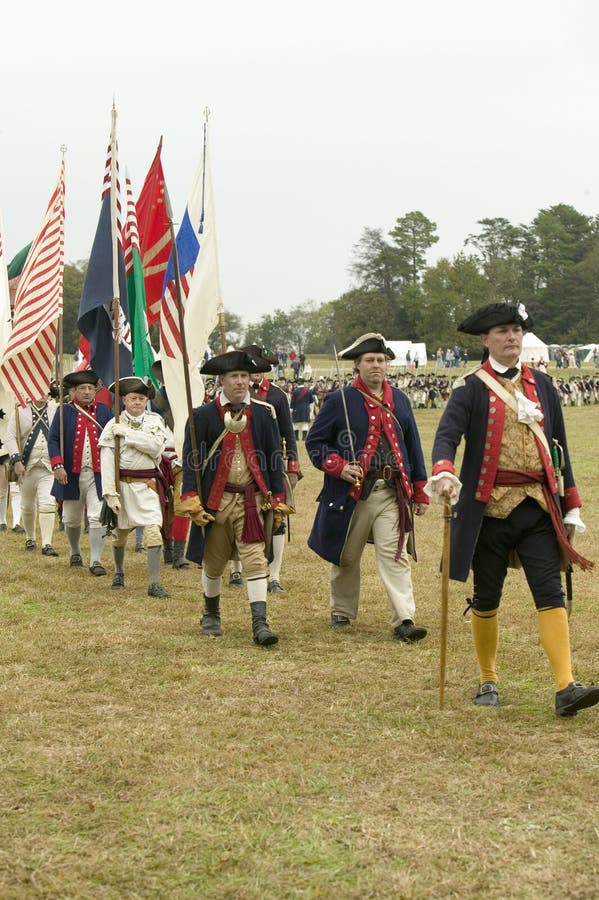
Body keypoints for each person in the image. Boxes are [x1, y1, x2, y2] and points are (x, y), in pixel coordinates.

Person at [427, 301, 598, 717]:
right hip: (487, 512)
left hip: (538, 508)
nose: (512, 337)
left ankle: (565, 687)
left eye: (517, 331)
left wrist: (570, 504)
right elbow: (447, 437)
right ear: (485, 340)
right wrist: (444, 471)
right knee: (486, 599)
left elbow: (559, 451)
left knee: (550, 593)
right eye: (503, 331)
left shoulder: (544, 385)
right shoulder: (470, 388)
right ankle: (488, 679)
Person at [306, 333, 430, 641]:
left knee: (396, 555)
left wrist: (420, 489)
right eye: (370, 360)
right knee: (347, 555)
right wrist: (338, 466)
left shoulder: (399, 399)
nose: (376, 365)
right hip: (354, 493)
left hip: (392, 492)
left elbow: (412, 445)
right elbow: (315, 442)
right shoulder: (340, 400)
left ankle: (404, 618)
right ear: (357, 366)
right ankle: (342, 610)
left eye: (381, 360)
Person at [180, 350, 293, 646]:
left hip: (252, 500)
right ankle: (211, 613)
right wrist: (191, 496)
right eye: (234, 376)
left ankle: (260, 623)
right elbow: (192, 459)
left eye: (244, 376)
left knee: (256, 560)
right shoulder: (202, 416)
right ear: (222, 380)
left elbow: (273, 457)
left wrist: (278, 496)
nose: (241, 382)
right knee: (214, 561)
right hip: (217, 502)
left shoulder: (265, 413)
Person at [226, 344, 302, 594]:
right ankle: (235, 570)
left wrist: (292, 466)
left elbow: (288, 433)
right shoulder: (230, 393)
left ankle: (274, 576)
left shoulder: (277, 395)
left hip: (270, 464)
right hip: (237, 464)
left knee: (276, 520)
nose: (254, 372)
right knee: (233, 517)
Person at [99, 377, 171, 598]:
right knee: (119, 535)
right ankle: (119, 573)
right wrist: (110, 493)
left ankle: (154, 583)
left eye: (141, 398)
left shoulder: (155, 421)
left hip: (148, 486)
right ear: (124, 400)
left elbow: (156, 447)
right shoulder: (113, 425)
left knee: (153, 532)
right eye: (133, 398)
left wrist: (128, 435)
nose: (138, 402)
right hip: (122, 487)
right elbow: (107, 461)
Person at [48, 370, 113, 575]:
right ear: (74, 391)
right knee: (71, 518)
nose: (87, 392)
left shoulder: (104, 412)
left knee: (96, 516)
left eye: (90, 388)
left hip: (98, 474)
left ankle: (95, 560)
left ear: (95, 391)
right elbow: (53, 441)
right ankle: (75, 551)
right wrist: (58, 465)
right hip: (71, 474)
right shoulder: (63, 411)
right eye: (82, 388)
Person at [5, 388, 59, 555]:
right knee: (27, 505)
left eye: (46, 392)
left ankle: (47, 544)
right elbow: (10, 437)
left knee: (48, 503)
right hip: (26, 467)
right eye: (39, 390)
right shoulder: (19, 411)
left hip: (49, 466)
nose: (43, 394)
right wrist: (16, 460)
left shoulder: (56, 411)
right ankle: (30, 538)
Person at [290, 377, 315, 442]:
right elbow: (312, 402)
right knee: (305, 423)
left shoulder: (294, 391)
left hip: (296, 409)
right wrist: (311, 412)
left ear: (297, 383)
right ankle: (304, 439)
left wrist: (291, 410)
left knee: (295, 423)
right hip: (306, 409)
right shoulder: (308, 391)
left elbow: (292, 402)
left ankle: (296, 438)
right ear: (303, 383)